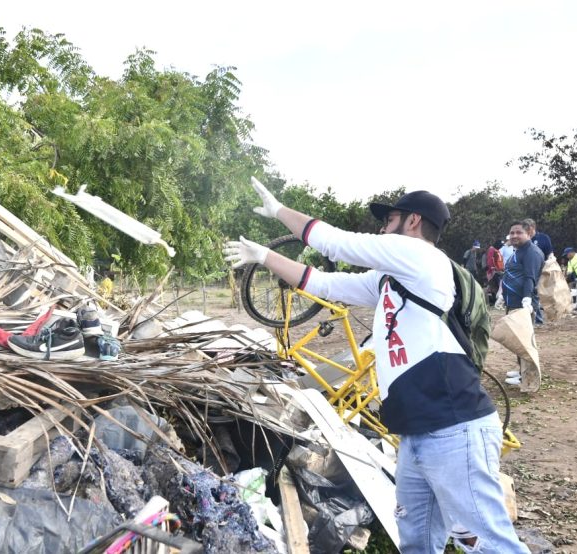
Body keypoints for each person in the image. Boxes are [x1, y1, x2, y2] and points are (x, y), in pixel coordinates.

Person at [223, 180, 527, 553]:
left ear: (414, 221)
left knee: (489, 545)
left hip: (453, 428)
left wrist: (280, 211)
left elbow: (336, 242)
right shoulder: (390, 280)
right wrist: (263, 256)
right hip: (415, 434)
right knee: (416, 542)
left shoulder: (421, 258)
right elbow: (321, 283)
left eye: (390, 218)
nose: (382, 227)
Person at [520, 219, 547, 325]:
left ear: (532, 227)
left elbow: (550, 254)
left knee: (533, 292)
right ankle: (534, 318)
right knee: (530, 291)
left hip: (539, 267)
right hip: (527, 267)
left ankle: (537, 318)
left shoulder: (543, 238)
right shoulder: (522, 241)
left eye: (527, 229)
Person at [485, 240, 505, 306]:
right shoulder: (491, 249)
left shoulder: (497, 250)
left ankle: (493, 301)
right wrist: (492, 268)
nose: (500, 247)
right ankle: (492, 302)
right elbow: (490, 260)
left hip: (498, 270)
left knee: (495, 286)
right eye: (500, 245)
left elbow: (499, 260)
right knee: (493, 287)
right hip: (493, 272)